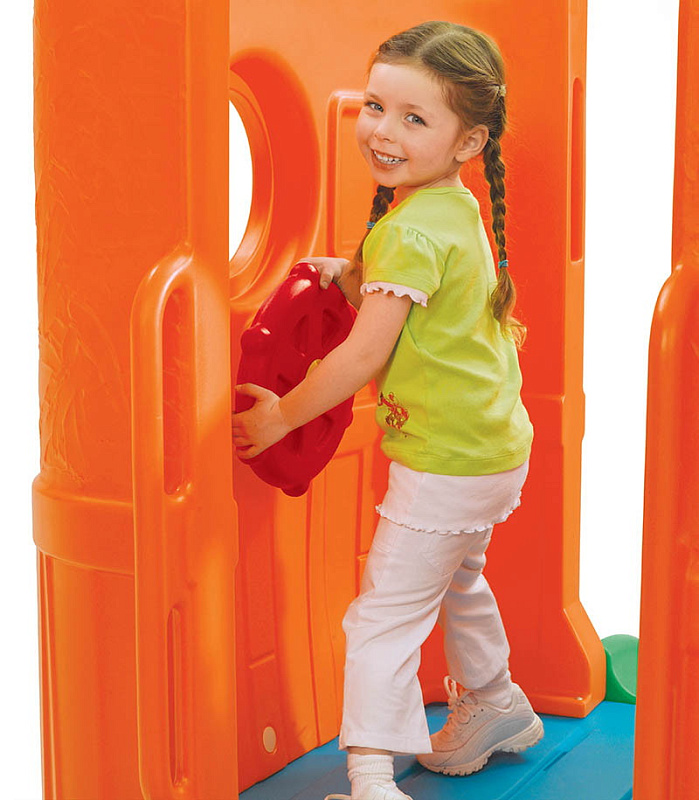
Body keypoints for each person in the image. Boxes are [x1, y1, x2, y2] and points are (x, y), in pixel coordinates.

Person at [232, 20, 544, 800]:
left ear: (467, 140)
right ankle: (496, 701)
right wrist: (351, 272)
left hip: (443, 464)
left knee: (381, 618)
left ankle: (371, 778)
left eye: (413, 118)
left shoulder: (409, 231)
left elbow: (362, 356)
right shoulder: (454, 207)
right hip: (492, 449)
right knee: (459, 576)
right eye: (375, 106)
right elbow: (418, 290)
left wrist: (281, 417)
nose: (382, 131)